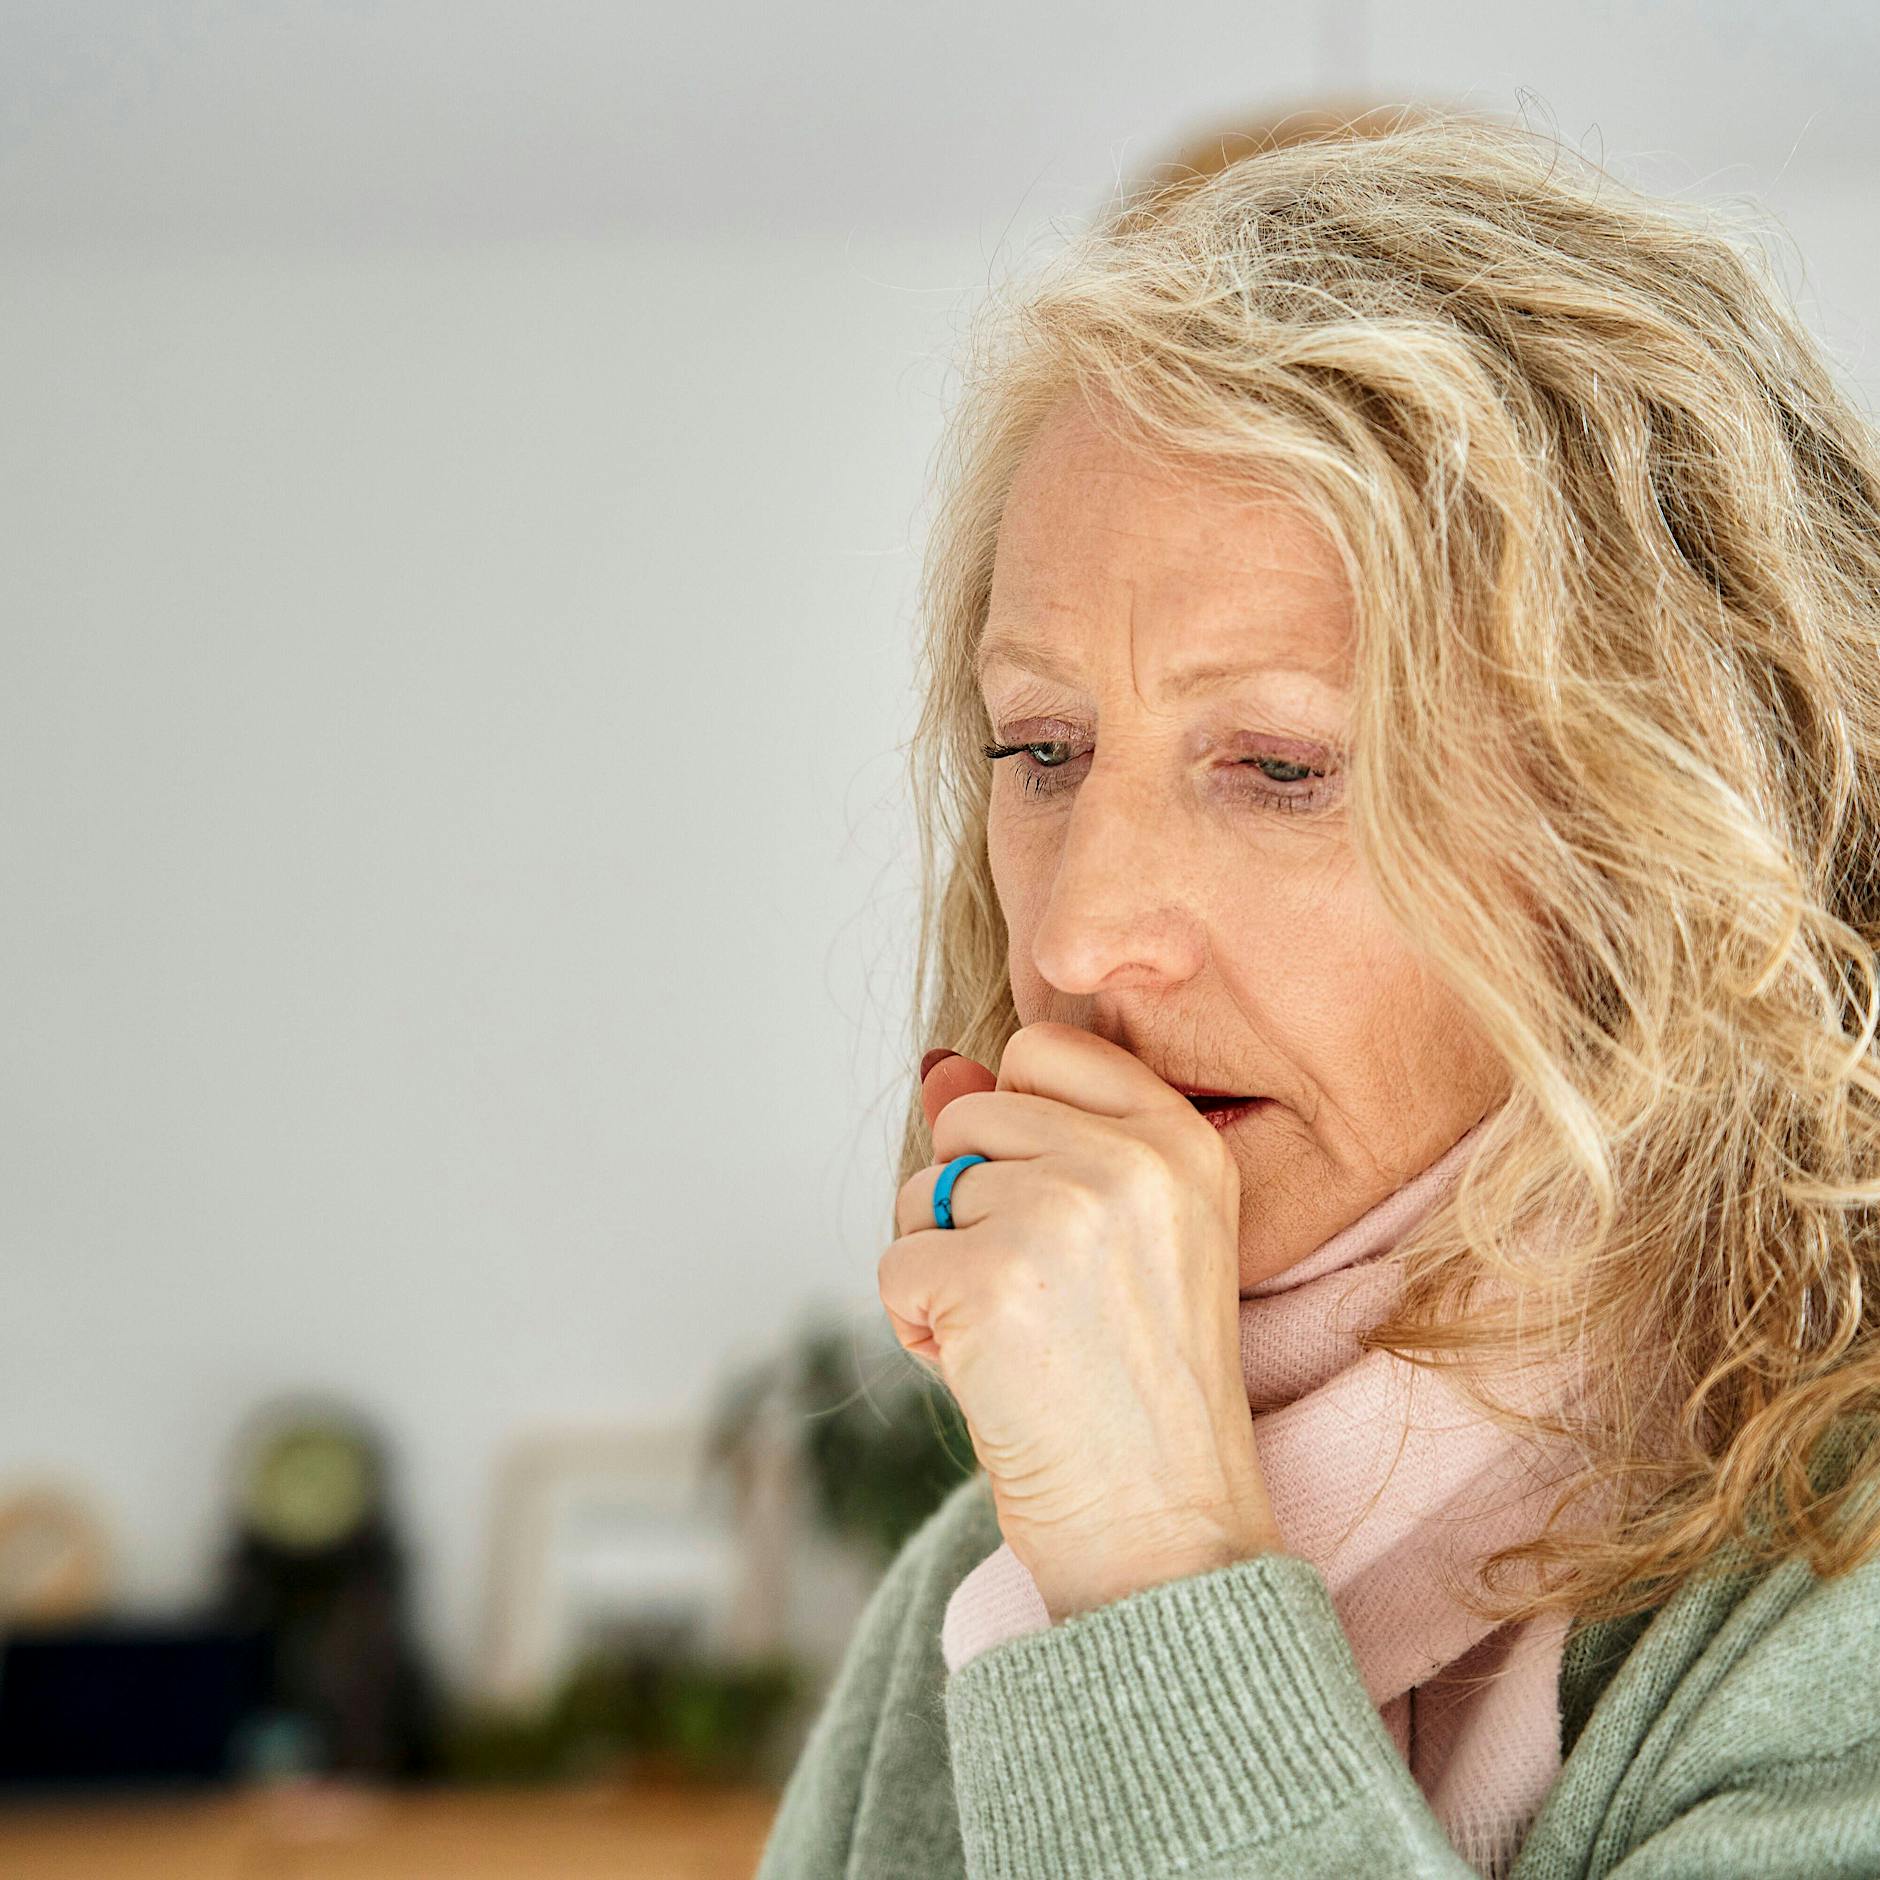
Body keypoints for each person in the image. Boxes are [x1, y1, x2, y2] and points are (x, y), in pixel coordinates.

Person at [754, 110, 1880, 1878]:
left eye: (1276, 767)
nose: (1077, 939)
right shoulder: (968, 1607)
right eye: (1042, 747)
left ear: (1658, 844)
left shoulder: (1841, 1602)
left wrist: (1155, 1579)